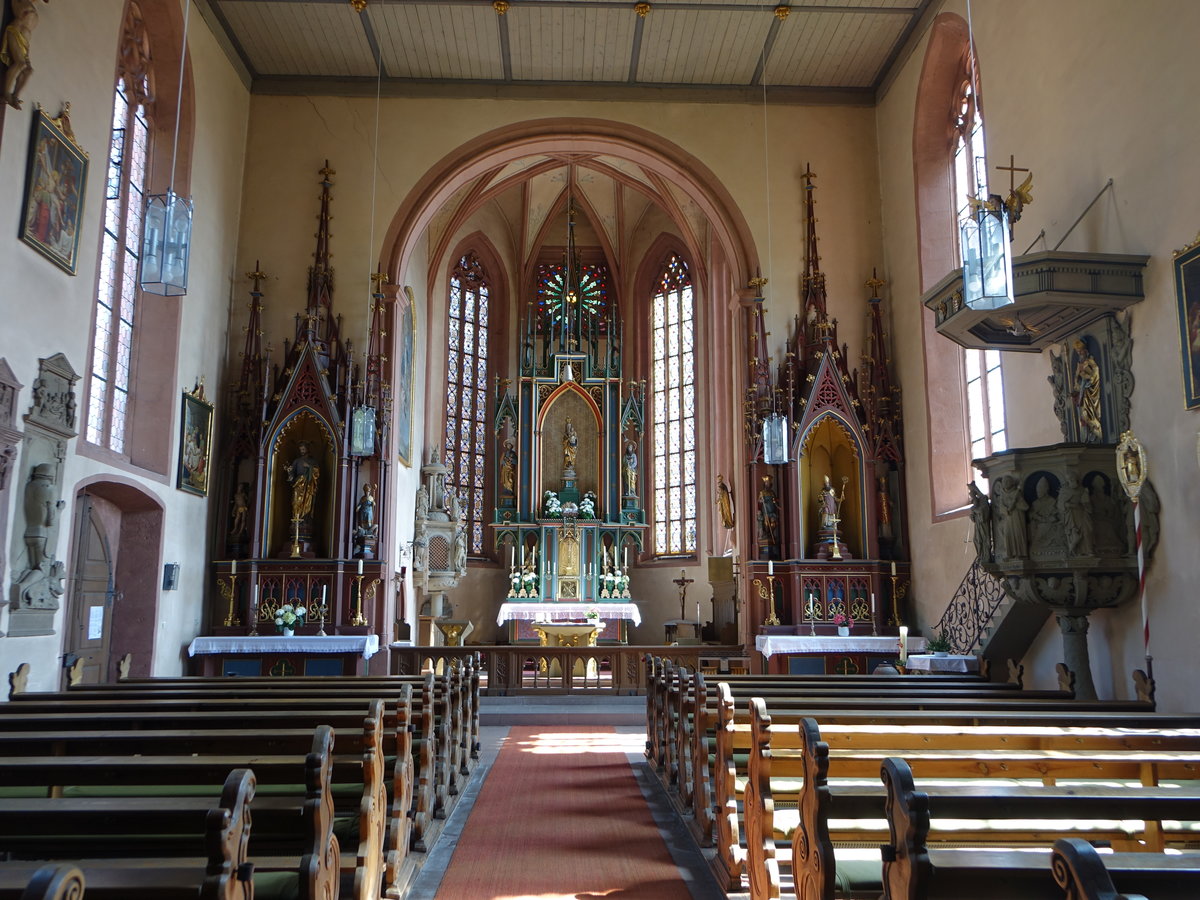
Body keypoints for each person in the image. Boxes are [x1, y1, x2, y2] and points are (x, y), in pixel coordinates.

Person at [1, 0, 49, 110]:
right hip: (16, 31)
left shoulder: (30, 4)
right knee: (20, 63)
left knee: (28, 70)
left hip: (25, 40)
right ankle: (6, 93)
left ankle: (15, 96)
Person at [1072, 340, 1102, 441]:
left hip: (1089, 392)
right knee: (1082, 416)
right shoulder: (1079, 365)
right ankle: (1087, 436)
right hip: (1081, 393)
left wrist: (1089, 378)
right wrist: (1076, 387)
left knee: (1089, 413)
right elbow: (1076, 380)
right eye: (1077, 351)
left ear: (1085, 351)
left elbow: (1096, 372)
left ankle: (1094, 433)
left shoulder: (1090, 362)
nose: (1079, 353)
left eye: (1080, 351)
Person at [1058, 472, 1094, 556]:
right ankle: (1073, 551)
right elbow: (1060, 504)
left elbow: (1086, 504)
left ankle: (1087, 550)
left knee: (1086, 531)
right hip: (1070, 515)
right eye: (1069, 479)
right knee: (1074, 534)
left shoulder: (1082, 490)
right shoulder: (1064, 490)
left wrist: (1085, 501)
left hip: (1082, 514)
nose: (1071, 480)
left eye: (1072, 479)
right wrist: (1069, 505)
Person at [286, 440, 320, 520]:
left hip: (308, 485)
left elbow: (317, 472)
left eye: (303, 449)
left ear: (307, 449)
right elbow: (292, 474)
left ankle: (305, 519)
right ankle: (296, 518)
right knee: (296, 502)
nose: (302, 451)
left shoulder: (312, 461)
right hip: (298, 484)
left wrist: (309, 466)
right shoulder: (297, 461)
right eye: (300, 449)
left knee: (307, 503)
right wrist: (289, 472)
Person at [967, 481, 992, 562]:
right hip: (978, 525)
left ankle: (986, 556)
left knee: (984, 539)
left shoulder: (983, 502)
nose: (973, 500)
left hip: (983, 525)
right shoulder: (973, 507)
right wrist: (972, 516)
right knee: (976, 540)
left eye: (973, 497)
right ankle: (981, 556)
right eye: (972, 498)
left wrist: (975, 488)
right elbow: (974, 519)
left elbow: (983, 514)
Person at [757, 476, 779, 550]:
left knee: (773, 524)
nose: (767, 484)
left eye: (769, 483)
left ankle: (771, 533)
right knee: (766, 524)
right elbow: (759, 501)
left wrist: (776, 504)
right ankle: (766, 534)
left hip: (772, 510)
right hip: (765, 510)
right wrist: (761, 501)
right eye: (766, 483)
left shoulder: (772, 492)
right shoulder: (762, 492)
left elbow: (775, 500)